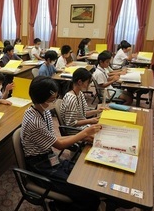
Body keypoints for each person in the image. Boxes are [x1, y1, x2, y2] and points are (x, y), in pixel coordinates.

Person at [21, 75, 101, 211]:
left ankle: (60, 205)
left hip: (49, 158)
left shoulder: (42, 111)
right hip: (40, 166)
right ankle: (59, 206)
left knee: (85, 177)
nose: (55, 102)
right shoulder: (34, 121)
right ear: (41, 99)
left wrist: (80, 137)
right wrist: (84, 133)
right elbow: (59, 145)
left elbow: (54, 139)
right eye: (52, 99)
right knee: (87, 195)